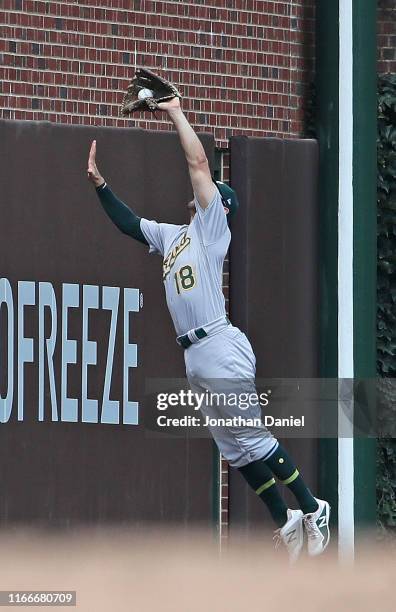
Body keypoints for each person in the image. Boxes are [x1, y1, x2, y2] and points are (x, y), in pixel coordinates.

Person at [86, 97, 330, 563]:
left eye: (211, 193)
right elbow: (130, 224)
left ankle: (313, 507)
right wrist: (101, 186)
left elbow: (198, 161)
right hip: (196, 355)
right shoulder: (176, 235)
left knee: (254, 439)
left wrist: (175, 112)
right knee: (234, 451)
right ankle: (288, 523)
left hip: (218, 343)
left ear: (220, 205)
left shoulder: (214, 228)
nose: (202, 192)